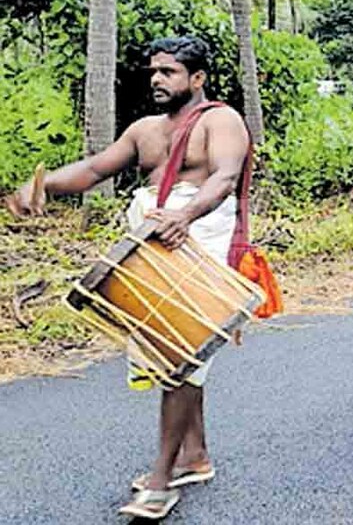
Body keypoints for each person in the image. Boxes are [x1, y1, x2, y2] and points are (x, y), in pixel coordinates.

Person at [5, 36, 249, 520]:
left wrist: (187, 214)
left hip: (197, 241)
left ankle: (160, 479)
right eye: (154, 71)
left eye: (170, 72)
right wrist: (44, 184)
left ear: (197, 79)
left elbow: (224, 178)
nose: (157, 79)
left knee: (182, 354)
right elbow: (95, 169)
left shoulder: (222, 120)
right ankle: (194, 455)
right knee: (173, 355)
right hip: (153, 245)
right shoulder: (145, 131)